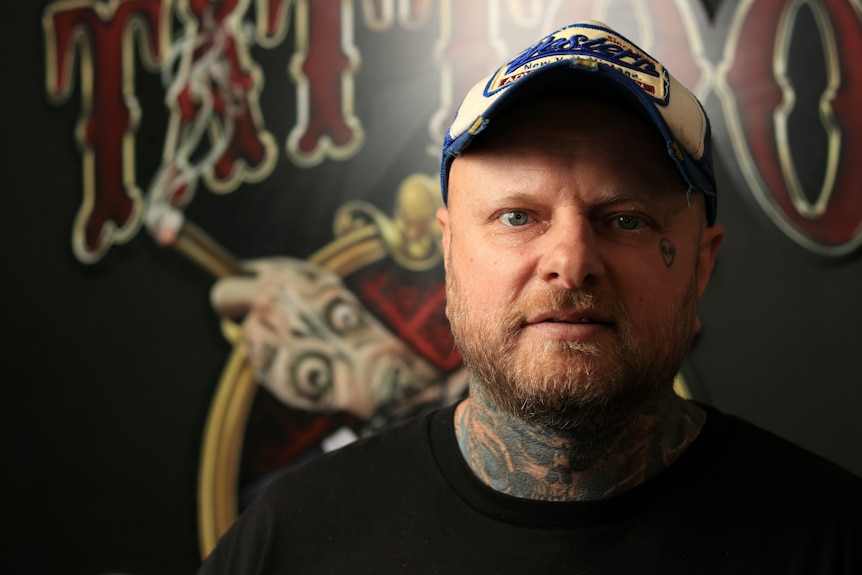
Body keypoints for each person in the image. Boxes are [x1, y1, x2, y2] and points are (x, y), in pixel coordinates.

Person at [199, 20, 861, 574]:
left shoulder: (830, 539)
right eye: (518, 216)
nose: (570, 264)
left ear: (700, 265)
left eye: (625, 218)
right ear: (448, 250)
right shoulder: (289, 541)